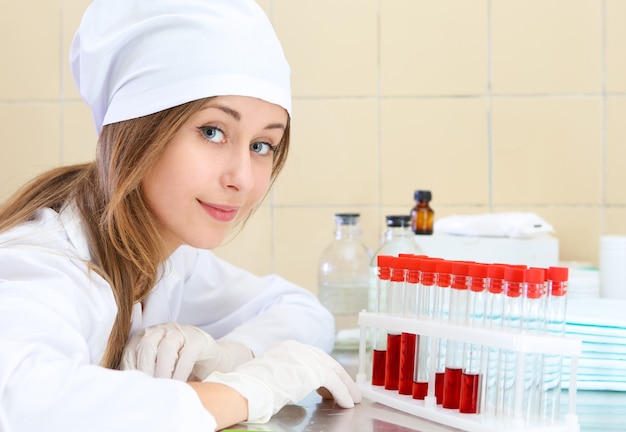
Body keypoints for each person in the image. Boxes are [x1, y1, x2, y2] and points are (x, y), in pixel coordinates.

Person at [0, 0, 361, 431]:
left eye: (262, 145)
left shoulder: (168, 259)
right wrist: (248, 389)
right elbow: (24, 403)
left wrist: (230, 354)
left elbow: (304, 313)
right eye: (212, 132)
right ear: (136, 131)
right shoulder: (40, 264)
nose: (242, 179)